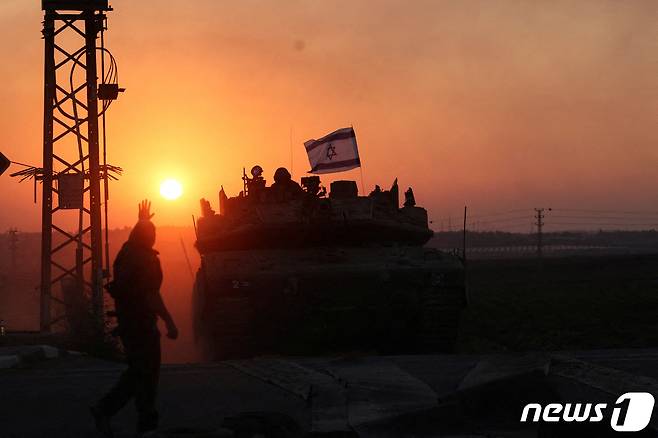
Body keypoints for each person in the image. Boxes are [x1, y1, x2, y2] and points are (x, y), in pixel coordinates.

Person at [91, 200, 178, 437]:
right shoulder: (145, 258)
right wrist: (169, 321)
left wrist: (142, 220)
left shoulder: (127, 252)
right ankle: (143, 422)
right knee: (146, 374)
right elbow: (151, 294)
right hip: (141, 324)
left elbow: (135, 239)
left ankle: (108, 410)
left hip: (129, 323)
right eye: (152, 233)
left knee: (137, 372)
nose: (154, 236)